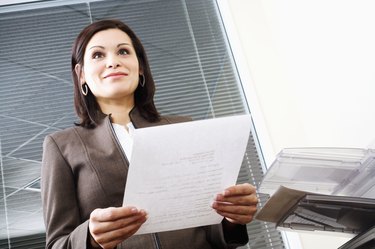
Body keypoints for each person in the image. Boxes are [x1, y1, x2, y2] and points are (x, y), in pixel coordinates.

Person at [41, 19, 258, 249]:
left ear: (140, 67)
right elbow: (57, 243)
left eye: (123, 51)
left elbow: (210, 228)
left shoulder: (183, 129)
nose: (113, 62)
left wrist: (232, 218)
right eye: (97, 55)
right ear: (81, 73)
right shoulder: (61, 146)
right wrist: (89, 238)